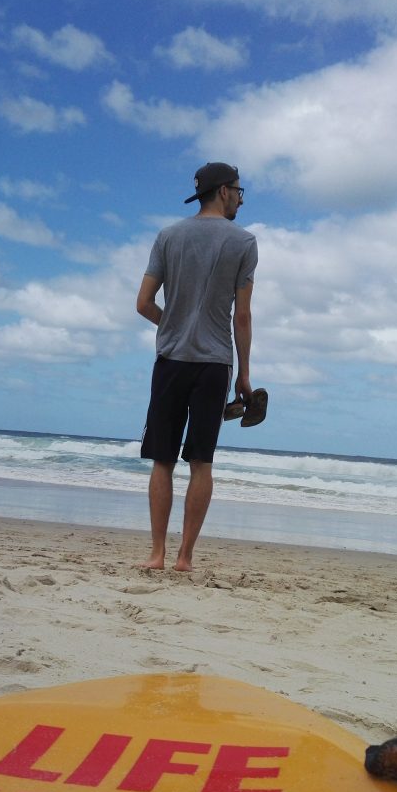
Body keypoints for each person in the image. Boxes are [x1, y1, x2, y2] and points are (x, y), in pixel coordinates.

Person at [136, 162, 258, 571]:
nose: (240, 199)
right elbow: (242, 316)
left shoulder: (168, 237)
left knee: (163, 460)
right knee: (201, 462)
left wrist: (172, 323)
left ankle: (157, 554)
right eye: (239, 191)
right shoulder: (244, 242)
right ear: (224, 191)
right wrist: (244, 375)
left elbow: (144, 304)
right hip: (214, 364)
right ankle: (185, 558)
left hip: (171, 360)